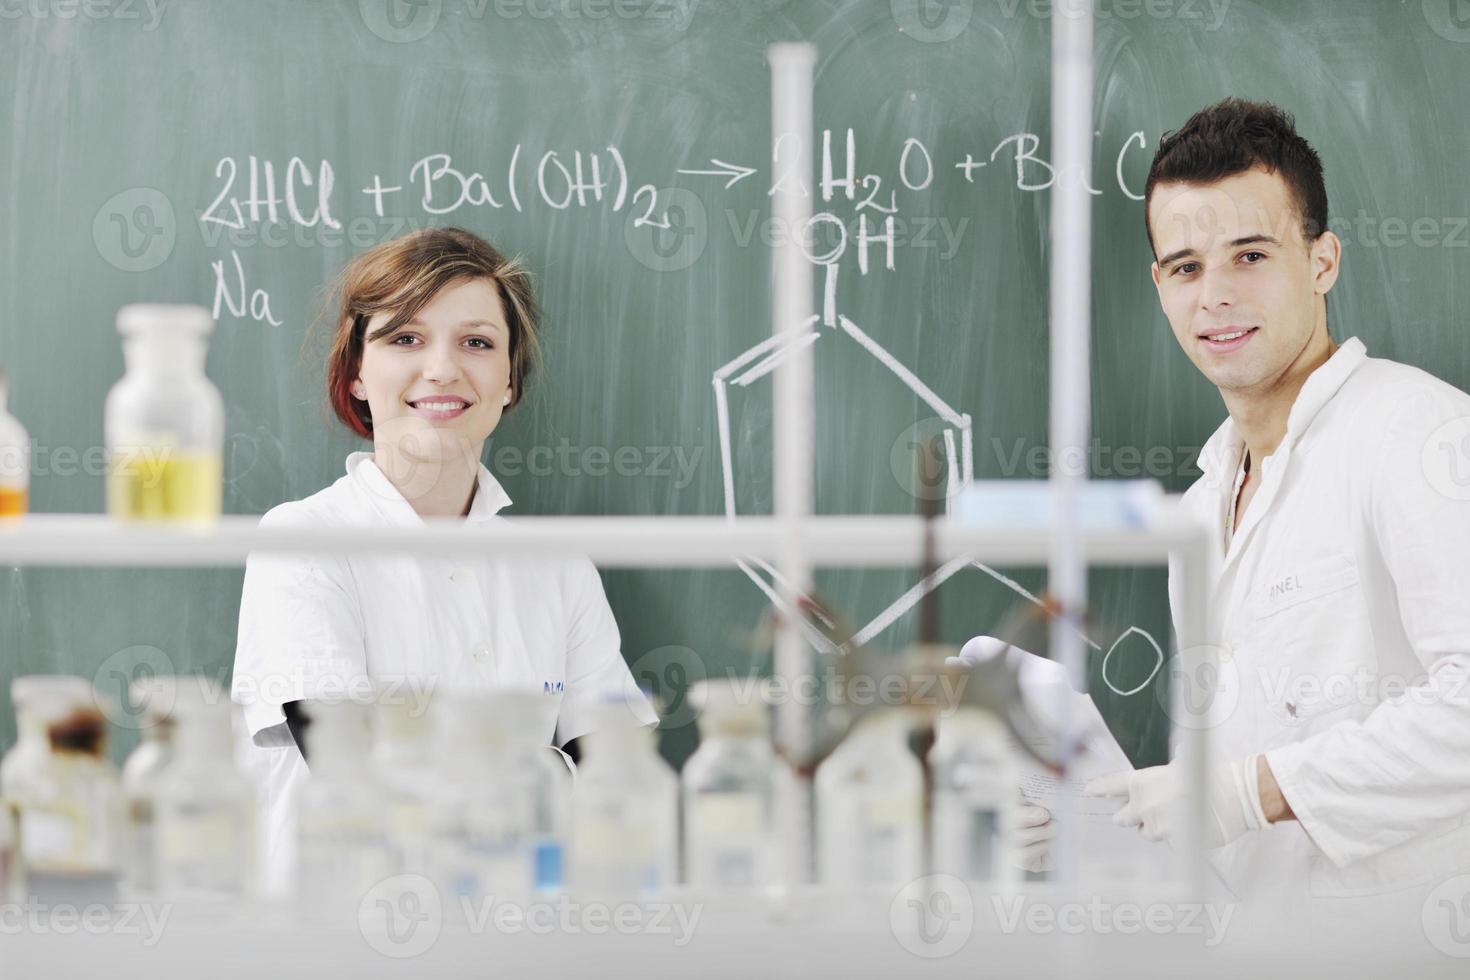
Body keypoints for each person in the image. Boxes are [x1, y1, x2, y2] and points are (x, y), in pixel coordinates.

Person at [1077, 99, 1470, 921]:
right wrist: (1094, 823)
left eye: (1249, 255)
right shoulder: (1202, 505)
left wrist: (1250, 795)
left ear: (1322, 260)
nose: (1214, 296)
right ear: (1159, 286)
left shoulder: (1419, 433)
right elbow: (1214, 787)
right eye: (1185, 267)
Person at [230, 227, 657, 892]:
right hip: (341, 943)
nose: (442, 369)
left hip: (521, 940)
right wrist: (541, 771)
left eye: (477, 343)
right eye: (404, 338)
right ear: (356, 375)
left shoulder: (560, 568)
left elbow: (620, 779)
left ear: (509, 380)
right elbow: (353, 779)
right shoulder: (304, 539)